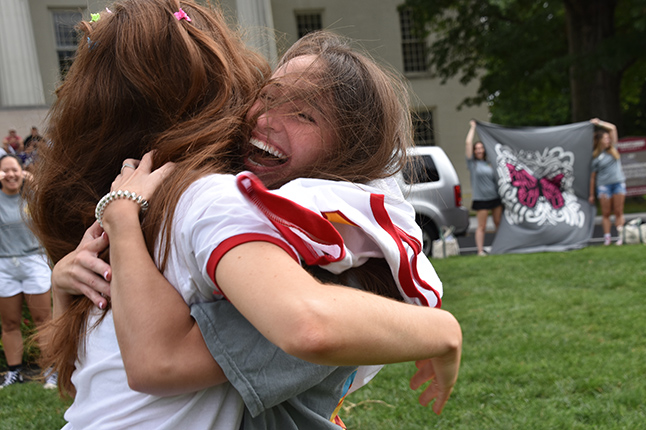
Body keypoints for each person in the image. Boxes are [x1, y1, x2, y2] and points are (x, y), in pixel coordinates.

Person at [28, 3, 460, 429]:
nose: (267, 120)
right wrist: (66, 285)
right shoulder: (166, 204)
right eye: (267, 97)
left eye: (305, 114)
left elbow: (157, 364)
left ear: (350, 152)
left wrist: (441, 329)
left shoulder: (300, 252)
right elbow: (89, 382)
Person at [0, 155, 54, 389]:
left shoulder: (32, 194)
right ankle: (14, 372)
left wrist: (34, 181)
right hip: (4, 266)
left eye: (15, 170)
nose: (10, 175)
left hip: (34, 262)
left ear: (22, 171)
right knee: (9, 323)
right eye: (5, 171)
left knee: (43, 320)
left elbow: (51, 199)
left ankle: (52, 370)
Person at [465, 120, 502, 256]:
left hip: (495, 197)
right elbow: (468, 143)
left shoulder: (489, 163)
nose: (479, 150)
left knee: (498, 223)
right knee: (482, 226)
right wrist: (473, 128)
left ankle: (499, 248)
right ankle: (480, 251)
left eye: (481, 148)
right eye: (477, 148)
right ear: (474, 151)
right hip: (481, 199)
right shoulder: (472, 164)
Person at [589, 118, 625, 246]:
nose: (608, 140)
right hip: (604, 186)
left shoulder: (613, 149)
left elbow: (613, 128)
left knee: (618, 211)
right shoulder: (595, 156)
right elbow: (592, 177)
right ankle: (607, 237)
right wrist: (592, 194)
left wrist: (599, 123)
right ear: (599, 141)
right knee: (606, 213)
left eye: (608, 138)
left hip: (618, 183)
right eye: (605, 138)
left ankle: (621, 236)